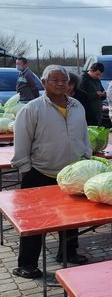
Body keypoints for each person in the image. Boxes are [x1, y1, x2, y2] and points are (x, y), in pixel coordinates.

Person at [11, 65, 92, 278]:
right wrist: (26, 169)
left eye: (64, 80)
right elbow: (21, 142)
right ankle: (27, 264)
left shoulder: (77, 106)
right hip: (40, 173)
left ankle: (68, 252)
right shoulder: (32, 109)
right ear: (44, 83)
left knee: (71, 217)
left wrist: (86, 157)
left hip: (72, 174)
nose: (60, 84)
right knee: (35, 222)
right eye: (54, 80)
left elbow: (84, 135)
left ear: (69, 84)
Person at [78, 62, 105, 126]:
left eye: (100, 75)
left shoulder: (97, 80)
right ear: (91, 71)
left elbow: (101, 90)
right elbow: (80, 96)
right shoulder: (82, 80)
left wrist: (104, 94)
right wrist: (95, 95)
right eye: (97, 74)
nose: (98, 76)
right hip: (87, 113)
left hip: (97, 112)